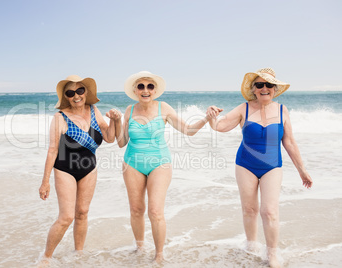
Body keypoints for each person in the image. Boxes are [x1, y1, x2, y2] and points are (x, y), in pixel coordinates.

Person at [206, 68, 313, 267]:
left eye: (269, 85)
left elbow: (289, 142)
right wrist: (211, 115)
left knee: (269, 211)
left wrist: (302, 170)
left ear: (274, 88)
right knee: (249, 209)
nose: (264, 88)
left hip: (272, 166)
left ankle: (272, 254)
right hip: (245, 165)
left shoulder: (282, 110)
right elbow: (219, 127)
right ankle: (251, 245)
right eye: (260, 85)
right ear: (254, 89)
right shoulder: (243, 108)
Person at [114, 71, 214, 263]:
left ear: (155, 90)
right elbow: (121, 142)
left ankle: (159, 256)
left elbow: (188, 130)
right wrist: (117, 122)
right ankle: (140, 248)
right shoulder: (129, 110)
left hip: (160, 163)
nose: (145, 90)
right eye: (141, 86)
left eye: (150, 86)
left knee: (155, 211)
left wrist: (206, 119)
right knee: (136, 209)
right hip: (132, 163)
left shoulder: (164, 108)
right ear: (135, 90)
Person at [38, 75, 120, 263]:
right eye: (70, 92)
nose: (76, 95)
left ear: (86, 92)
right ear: (66, 96)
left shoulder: (94, 110)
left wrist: (115, 120)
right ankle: (46, 257)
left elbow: (109, 137)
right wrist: (45, 182)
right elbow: (52, 150)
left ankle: (78, 254)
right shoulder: (60, 117)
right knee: (66, 217)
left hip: (89, 169)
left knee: (82, 212)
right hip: (65, 169)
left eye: (80, 90)